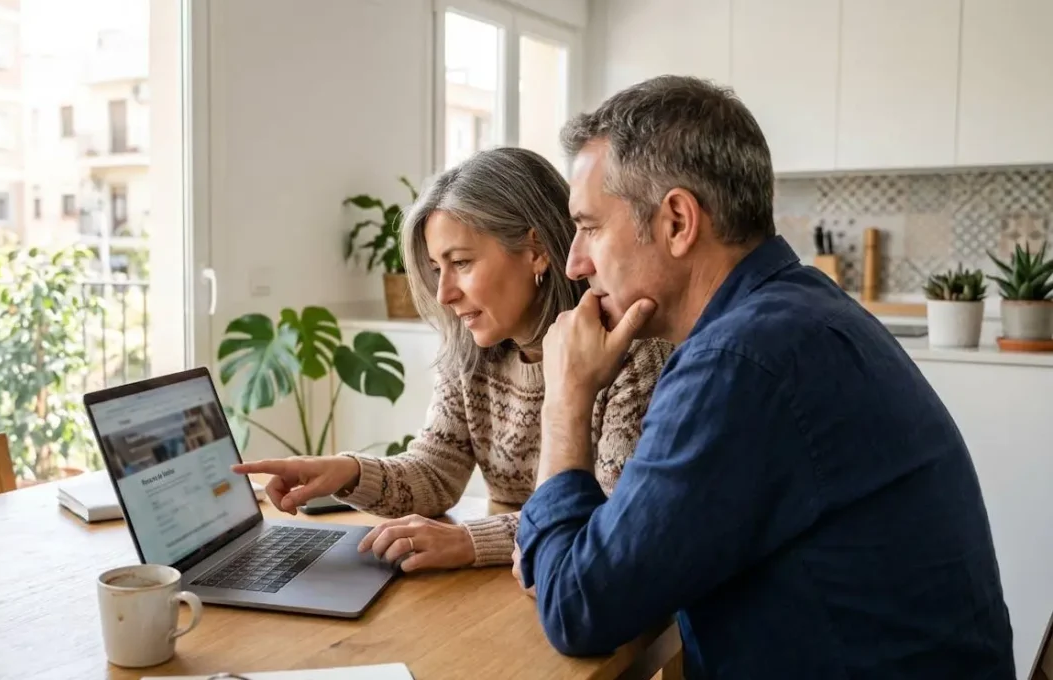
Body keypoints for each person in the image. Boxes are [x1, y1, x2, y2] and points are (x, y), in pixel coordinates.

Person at [514, 74, 1014, 678]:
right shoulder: (795, 314)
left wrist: (565, 401)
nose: (576, 262)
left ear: (677, 221)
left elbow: (577, 608)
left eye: (590, 226)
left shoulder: (740, 361)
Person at [233, 147, 674, 573]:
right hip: (522, 578)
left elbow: (609, 516)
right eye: (436, 268)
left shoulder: (630, 354)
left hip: (583, 585)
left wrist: (469, 541)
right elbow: (436, 471)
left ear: (536, 251)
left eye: (461, 262)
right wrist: (346, 473)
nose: (444, 293)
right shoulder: (471, 351)